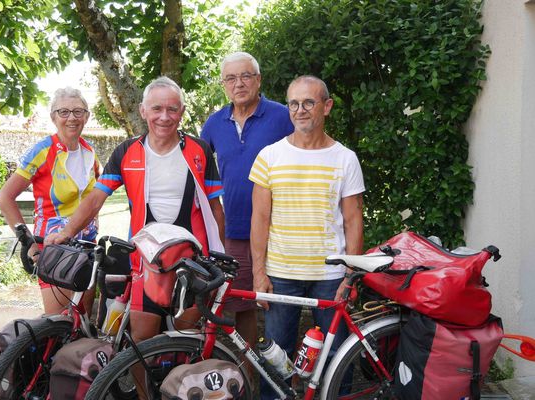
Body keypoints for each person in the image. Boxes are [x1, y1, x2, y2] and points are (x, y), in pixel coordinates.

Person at [45, 76, 225, 345]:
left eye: (172, 109)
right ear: (143, 111)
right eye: (156, 109)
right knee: (141, 342)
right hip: (145, 262)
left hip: (193, 262)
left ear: (182, 112)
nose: (164, 117)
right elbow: (96, 198)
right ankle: (145, 390)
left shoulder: (199, 149)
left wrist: (219, 257)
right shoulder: (127, 152)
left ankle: (174, 385)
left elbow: (215, 209)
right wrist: (67, 231)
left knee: (184, 341)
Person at [249, 76, 365, 399]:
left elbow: (354, 220)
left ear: (326, 107)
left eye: (308, 103)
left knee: (336, 357)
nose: (300, 110)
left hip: (331, 277)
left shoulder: (345, 159)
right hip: (281, 274)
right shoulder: (270, 156)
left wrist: (351, 275)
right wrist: (259, 272)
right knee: (276, 358)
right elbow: (259, 220)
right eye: (294, 104)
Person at [201, 52, 294, 347]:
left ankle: (283, 380)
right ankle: (248, 376)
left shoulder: (283, 116)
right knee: (241, 307)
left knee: (281, 307)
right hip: (234, 231)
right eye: (231, 78)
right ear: (223, 84)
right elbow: (202, 175)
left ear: (258, 80)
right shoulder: (213, 124)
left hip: (280, 230)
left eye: (245, 76)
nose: (238, 83)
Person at [0, 87, 99, 315]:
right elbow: (4, 197)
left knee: (82, 323)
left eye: (78, 111)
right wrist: (28, 242)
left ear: (87, 116)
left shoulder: (90, 152)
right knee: (57, 326)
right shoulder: (42, 151)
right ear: (53, 117)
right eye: (63, 112)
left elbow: (95, 197)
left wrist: (95, 224)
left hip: (87, 247)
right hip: (54, 249)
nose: (71, 118)